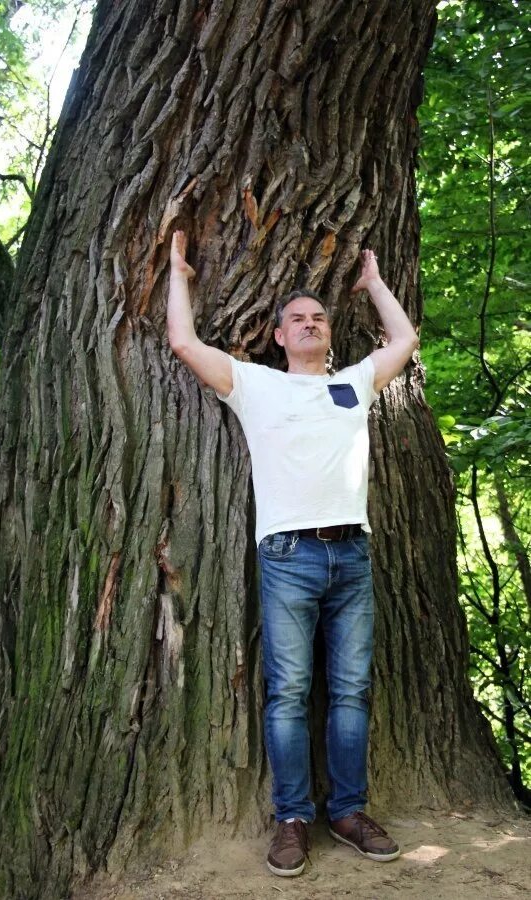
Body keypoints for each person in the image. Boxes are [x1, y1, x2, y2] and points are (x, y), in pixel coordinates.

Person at [167, 229, 419, 877]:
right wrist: (178, 274)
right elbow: (183, 343)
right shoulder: (253, 384)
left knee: (351, 692)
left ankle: (347, 810)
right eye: (297, 319)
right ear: (278, 335)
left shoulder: (355, 383)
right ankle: (291, 819)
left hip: (352, 556)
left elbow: (404, 342)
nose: (309, 325)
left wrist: (372, 285)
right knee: (288, 694)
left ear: (329, 333)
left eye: (318, 319)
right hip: (286, 558)